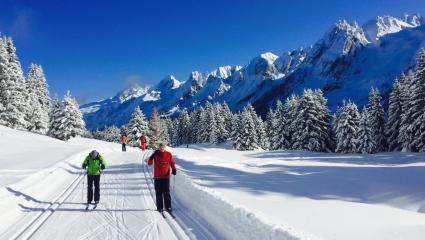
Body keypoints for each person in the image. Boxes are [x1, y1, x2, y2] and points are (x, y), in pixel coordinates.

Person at [148, 143, 177, 213]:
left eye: (163, 147)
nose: (162, 148)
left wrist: (174, 169)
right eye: (160, 147)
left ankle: (168, 207)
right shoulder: (156, 154)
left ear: (165, 148)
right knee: (158, 193)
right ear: (159, 147)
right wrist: (151, 157)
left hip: (166, 177)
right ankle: (159, 207)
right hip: (157, 177)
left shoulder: (168, 154)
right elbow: (149, 163)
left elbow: (172, 163)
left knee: (166, 192)